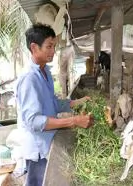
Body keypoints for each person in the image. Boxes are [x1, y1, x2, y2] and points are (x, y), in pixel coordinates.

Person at [15, 24, 94, 186]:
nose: (53, 51)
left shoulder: (45, 72)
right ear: (34, 47)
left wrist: (78, 102)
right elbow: (34, 121)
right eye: (49, 46)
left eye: (54, 46)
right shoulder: (29, 78)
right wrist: (74, 121)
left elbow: (53, 103)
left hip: (47, 142)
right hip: (37, 148)